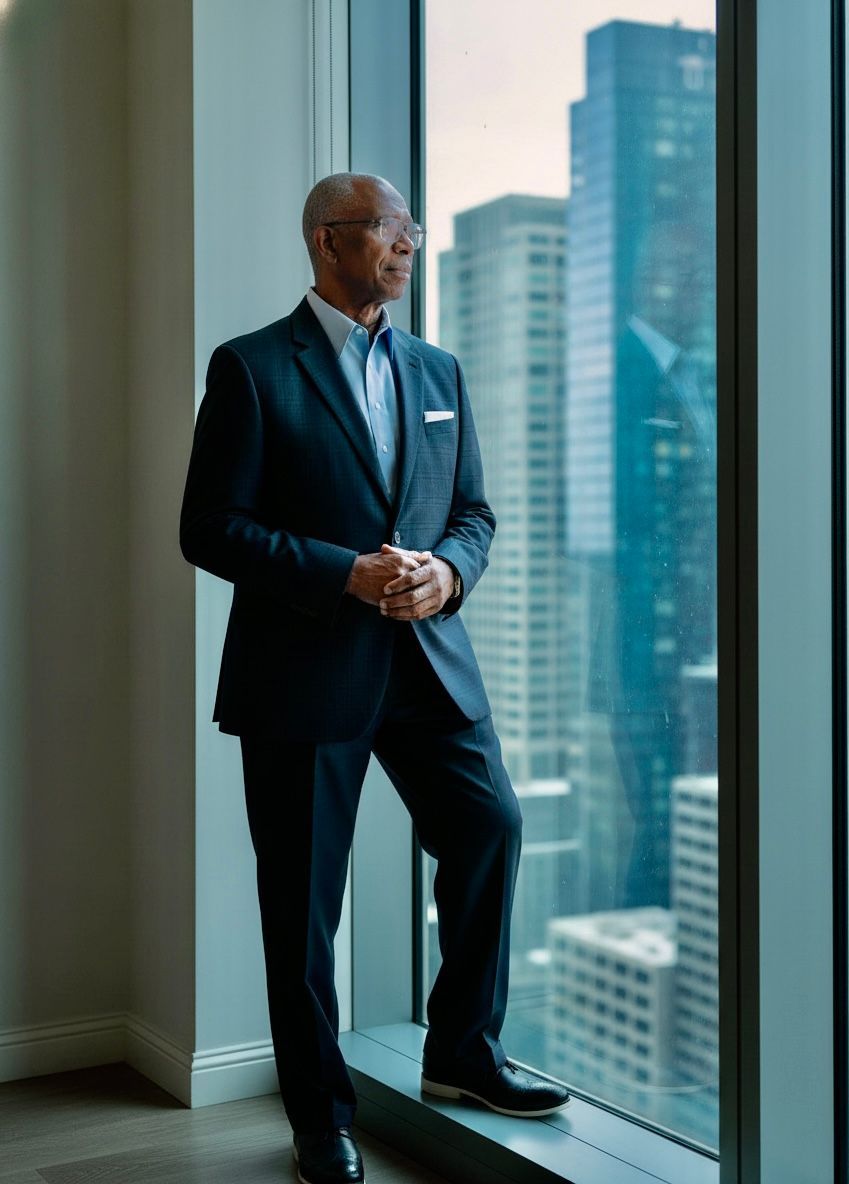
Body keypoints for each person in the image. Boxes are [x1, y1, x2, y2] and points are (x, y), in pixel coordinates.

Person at [179, 172, 569, 1184]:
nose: (409, 243)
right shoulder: (252, 367)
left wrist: (449, 574)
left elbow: (474, 513)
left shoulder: (438, 369)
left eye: (411, 229)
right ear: (328, 240)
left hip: (428, 663)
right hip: (305, 672)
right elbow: (209, 528)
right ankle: (320, 1118)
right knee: (304, 904)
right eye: (391, 228)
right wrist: (339, 573)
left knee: (490, 826)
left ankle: (462, 1053)